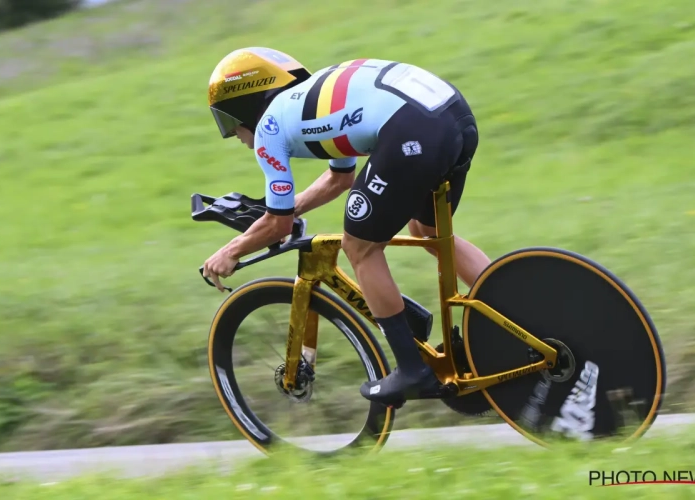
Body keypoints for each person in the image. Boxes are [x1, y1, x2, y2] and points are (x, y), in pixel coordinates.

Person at [202, 47, 492, 406]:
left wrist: (231, 251)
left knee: (360, 247)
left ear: (247, 105)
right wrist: (286, 211)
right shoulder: (314, 99)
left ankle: (411, 369)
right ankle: (513, 309)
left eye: (230, 124)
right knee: (428, 232)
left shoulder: (268, 129)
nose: (236, 137)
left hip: (412, 130)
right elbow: (339, 179)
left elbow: (277, 225)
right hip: (452, 116)